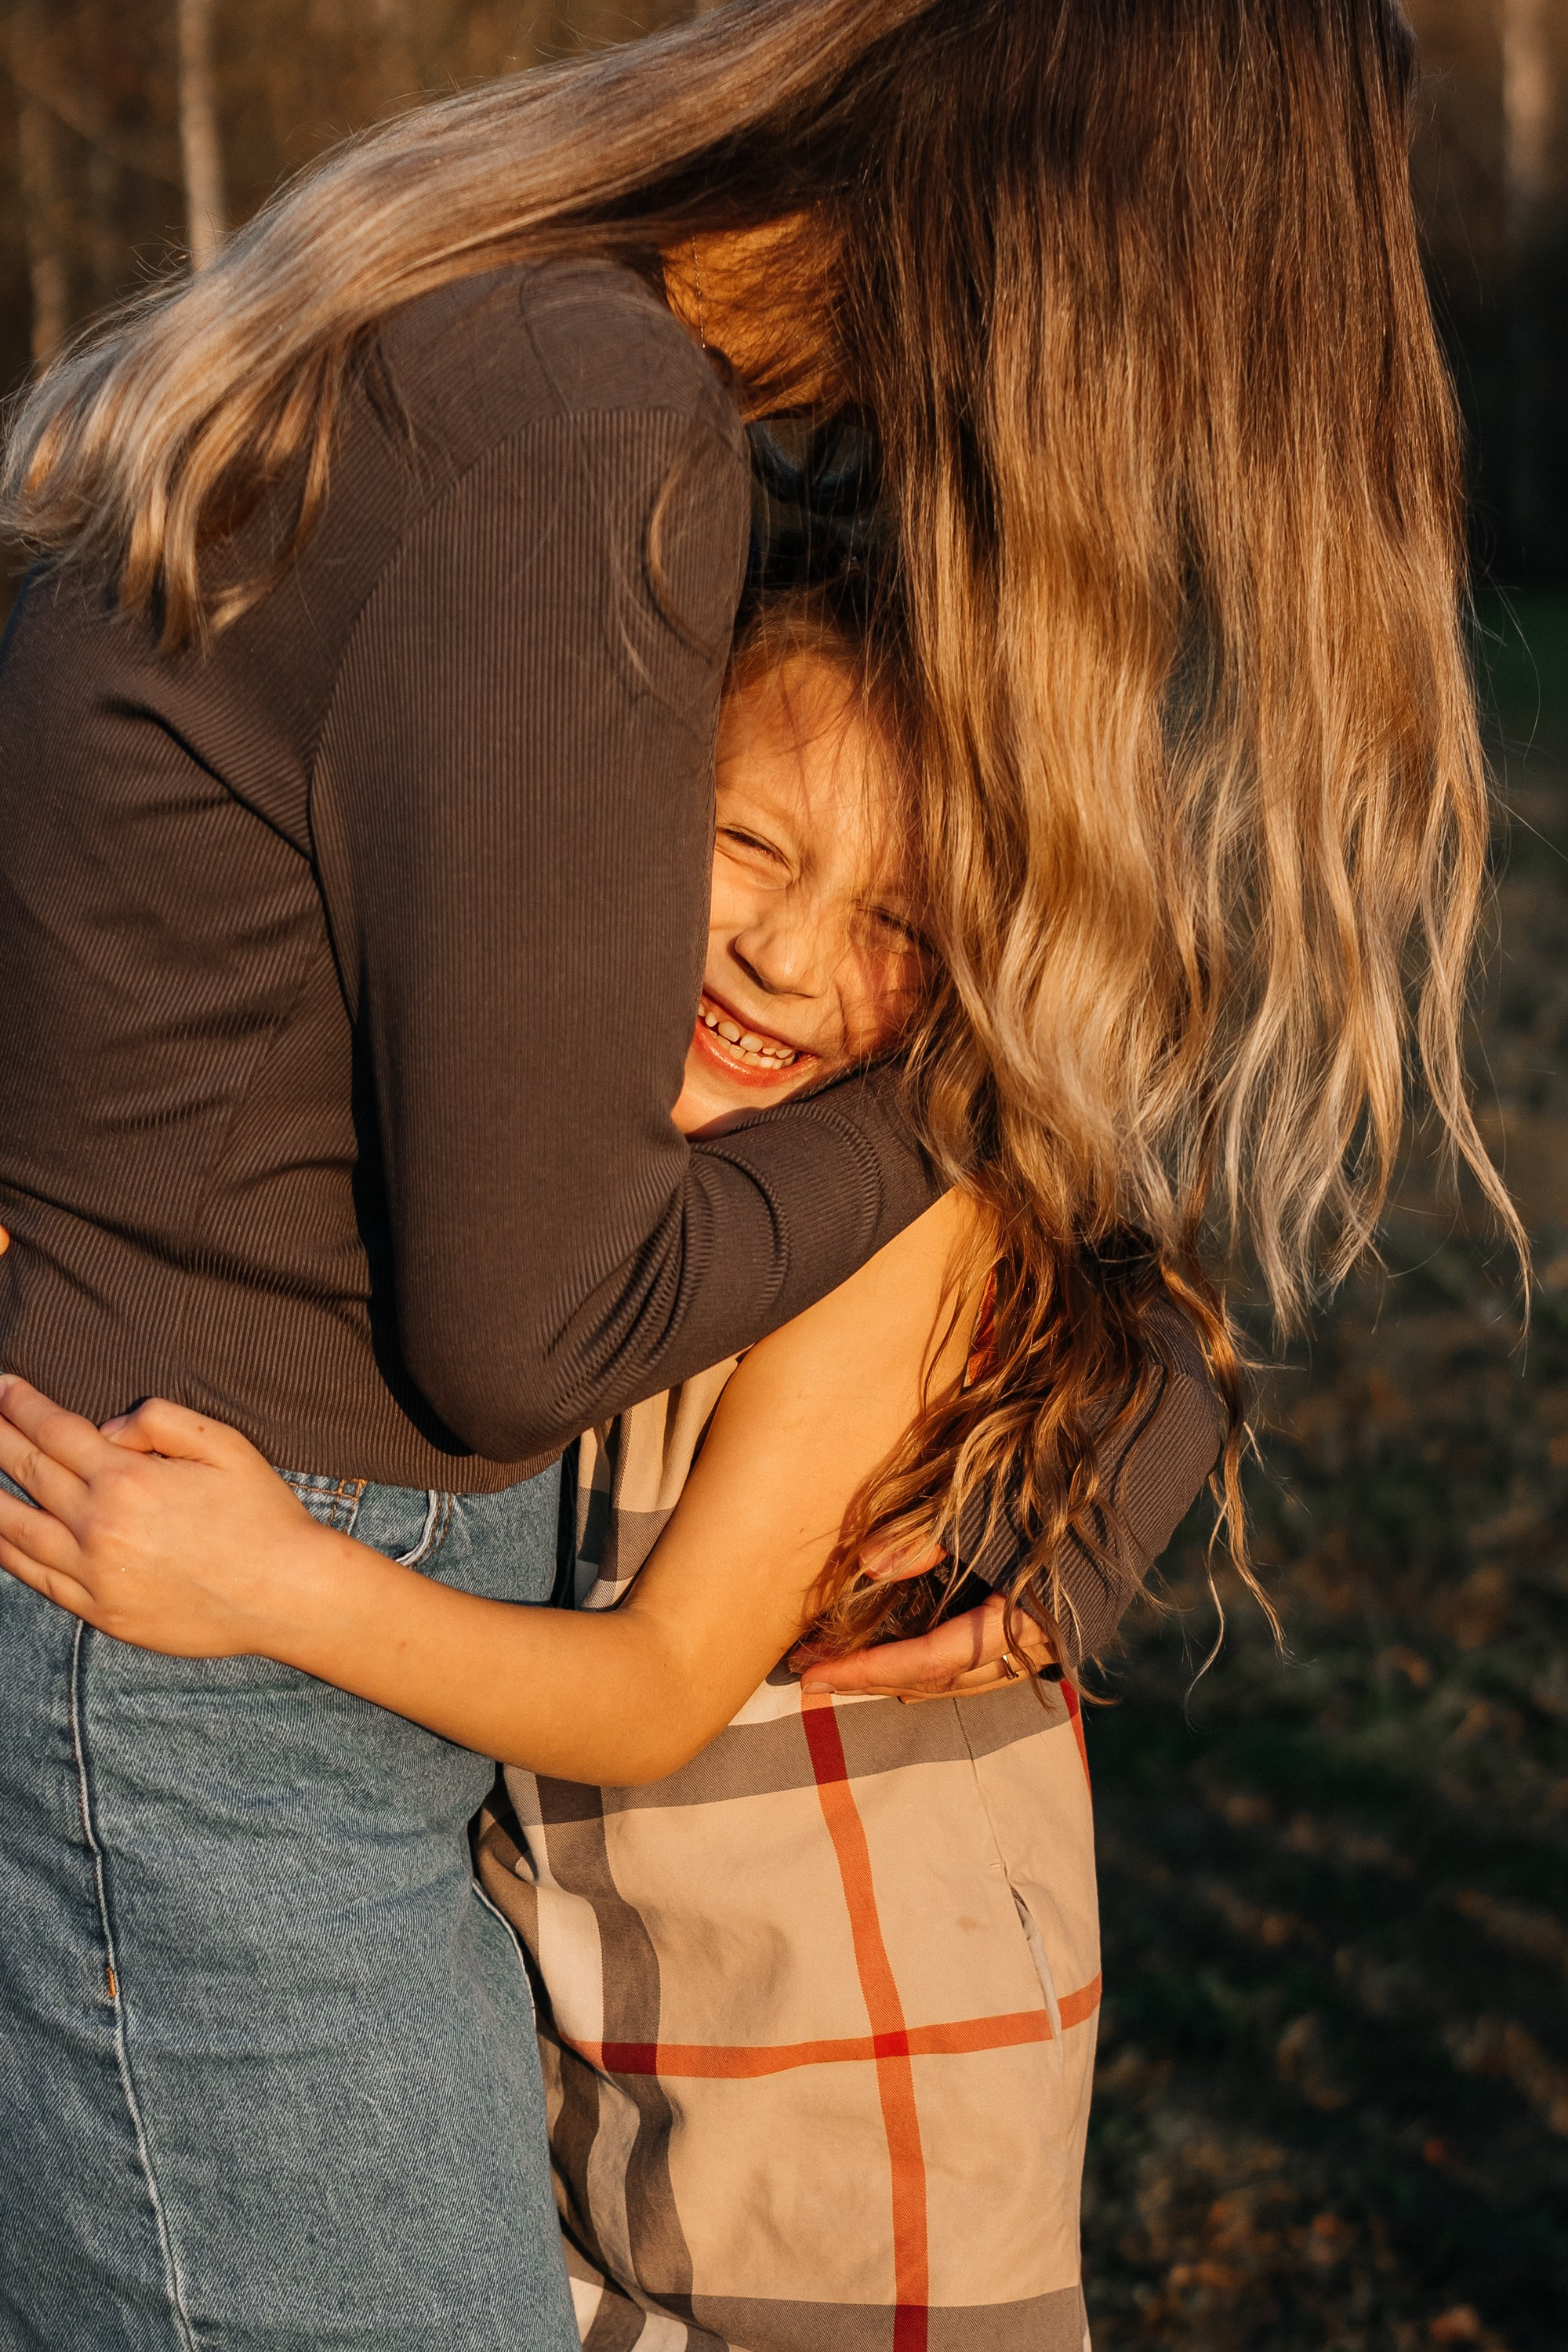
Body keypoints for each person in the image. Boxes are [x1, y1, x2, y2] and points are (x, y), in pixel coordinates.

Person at [0, 1, 1519, 2346]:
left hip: (284, 1689)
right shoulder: (578, 423)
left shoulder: (628, 411)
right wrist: (974, 1095)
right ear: (1095, 267)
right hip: (201, 1662)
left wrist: (1091, 1357)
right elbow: (532, 1323)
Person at [0, 587, 1221, 2351]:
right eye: (748, 845)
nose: (789, 956)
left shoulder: (889, 1224)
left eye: (897, 922)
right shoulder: (559, 1135)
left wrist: (273, 1580)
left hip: (837, 2089)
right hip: (599, 2030)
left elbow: (653, 1691)